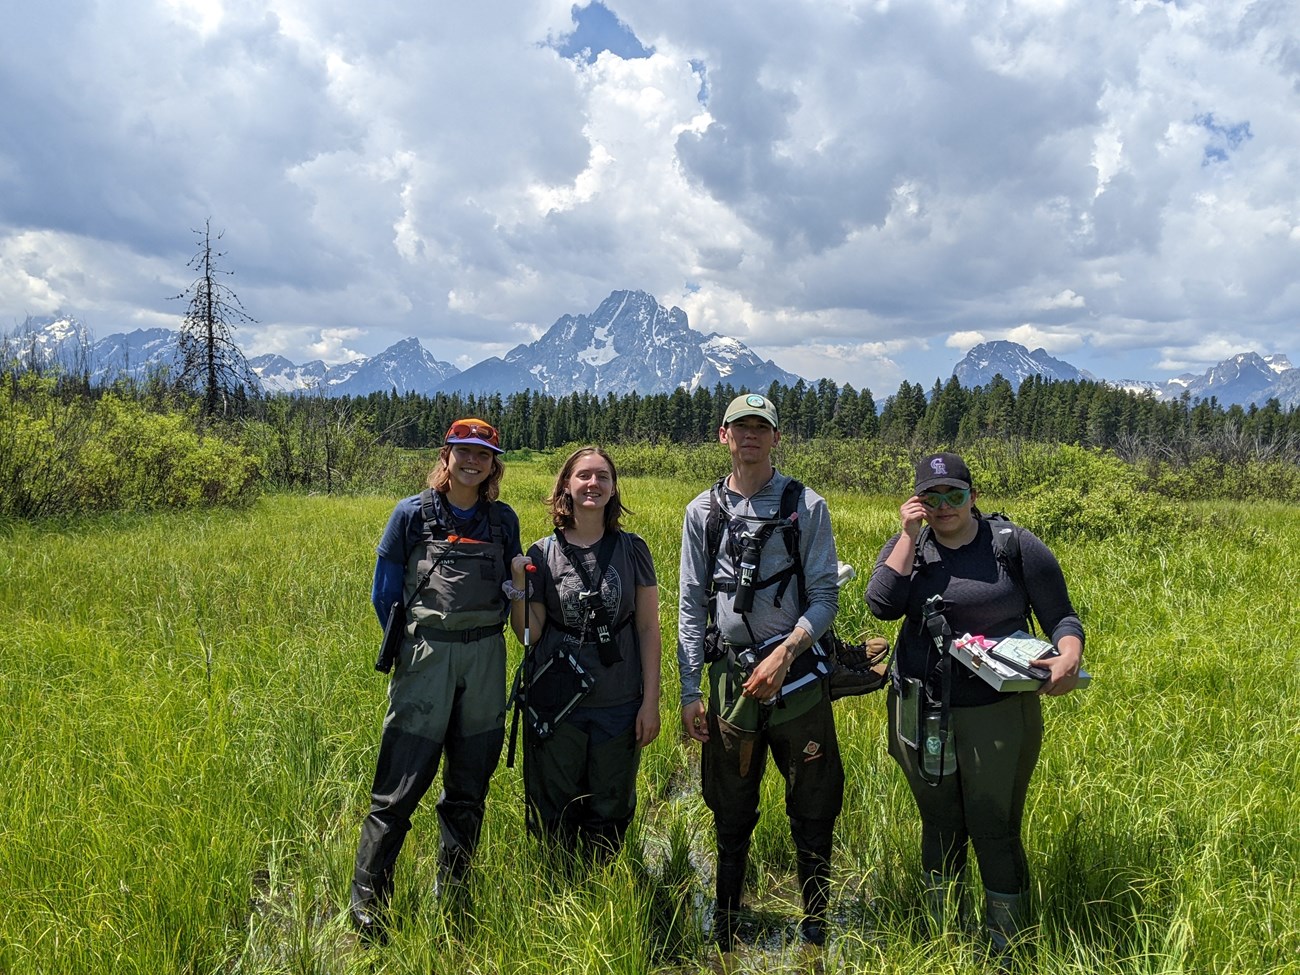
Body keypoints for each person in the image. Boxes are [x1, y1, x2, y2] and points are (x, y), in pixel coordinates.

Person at [866, 451, 1083, 960]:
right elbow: (882, 604)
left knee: (993, 824)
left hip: (997, 710)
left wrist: (1068, 657)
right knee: (940, 821)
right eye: (930, 497)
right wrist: (905, 535)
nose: (944, 507)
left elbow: (1062, 617)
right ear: (917, 502)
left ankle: (1008, 947)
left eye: (954, 495)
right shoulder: (910, 547)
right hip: (920, 708)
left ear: (973, 496)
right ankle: (942, 937)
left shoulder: (1013, 545)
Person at [678, 392, 843, 947]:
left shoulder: (807, 506)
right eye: (739, 427)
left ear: (776, 437)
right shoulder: (701, 511)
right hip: (730, 686)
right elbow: (690, 601)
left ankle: (815, 928)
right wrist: (688, 690)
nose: (749, 435)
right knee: (730, 811)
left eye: (760, 427)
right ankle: (726, 925)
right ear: (723, 437)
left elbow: (824, 598)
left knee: (813, 809)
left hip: (797, 684)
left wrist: (785, 652)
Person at [350, 418, 523, 943]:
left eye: (483, 454)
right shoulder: (410, 514)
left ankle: (453, 902)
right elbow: (385, 595)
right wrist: (417, 648)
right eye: (462, 451)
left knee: (468, 793)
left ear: (494, 465)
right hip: (427, 661)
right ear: (445, 456)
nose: (472, 461)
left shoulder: (503, 520)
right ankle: (368, 913)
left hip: (486, 661)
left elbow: (513, 588)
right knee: (396, 795)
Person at [508, 446, 662, 864]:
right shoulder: (542, 552)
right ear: (566, 487)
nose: (593, 484)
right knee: (554, 806)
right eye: (583, 476)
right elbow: (528, 633)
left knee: (611, 805)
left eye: (603, 477)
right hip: (558, 701)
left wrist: (651, 701)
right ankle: (557, 887)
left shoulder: (633, 550)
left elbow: (648, 628)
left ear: (613, 490)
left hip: (619, 698)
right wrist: (519, 587)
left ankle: (602, 885)